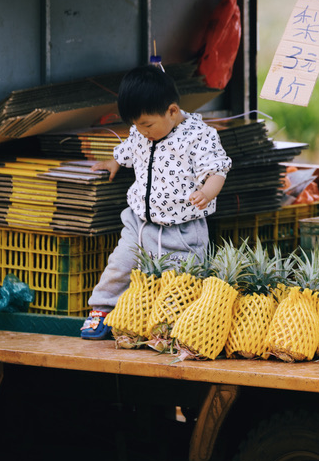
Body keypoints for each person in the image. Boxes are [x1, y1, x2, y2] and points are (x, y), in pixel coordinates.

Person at [80, 64, 232, 340]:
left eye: (147, 125)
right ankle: (102, 309)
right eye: (136, 126)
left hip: (182, 231)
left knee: (181, 282)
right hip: (139, 224)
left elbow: (217, 170)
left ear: (172, 111)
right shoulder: (142, 131)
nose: (142, 131)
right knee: (119, 266)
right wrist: (113, 162)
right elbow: (128, 149)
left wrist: (208, 192)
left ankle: (172, 326)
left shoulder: (199, 136)